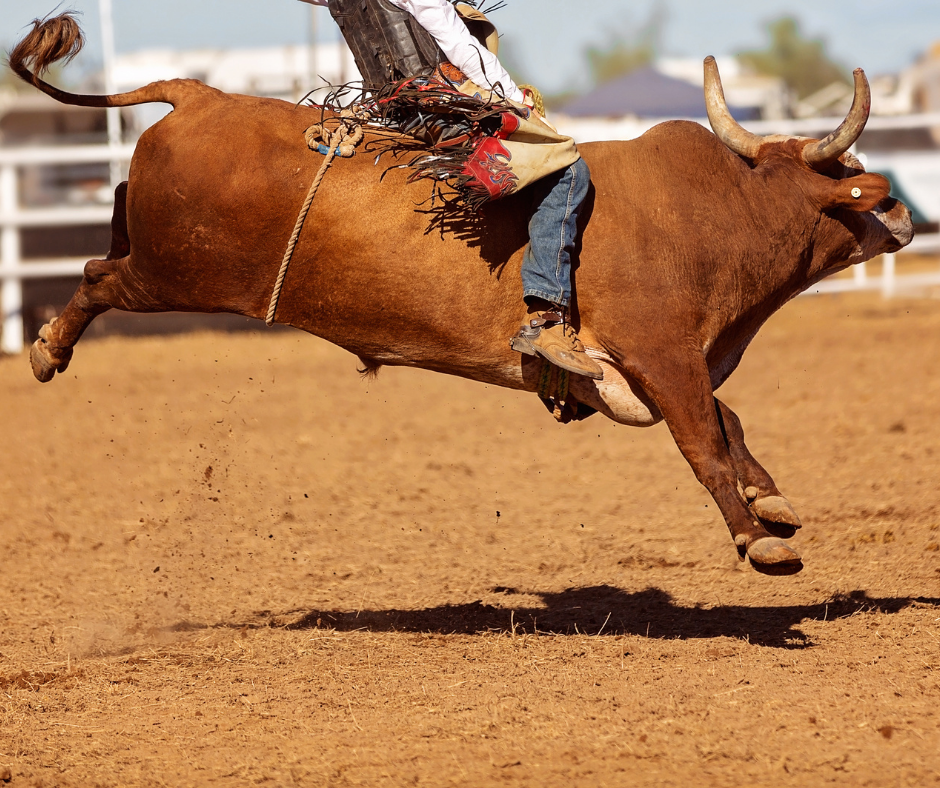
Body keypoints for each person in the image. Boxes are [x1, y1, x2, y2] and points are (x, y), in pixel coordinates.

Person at [299, 0, 603, 380]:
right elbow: (461, 46)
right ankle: (549, 321)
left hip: (393, 112)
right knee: (567, 170)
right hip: (438, 110)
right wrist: (519, 102)